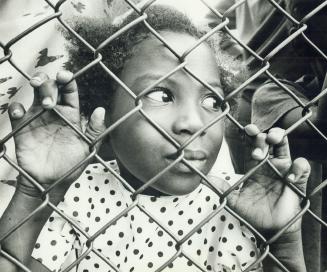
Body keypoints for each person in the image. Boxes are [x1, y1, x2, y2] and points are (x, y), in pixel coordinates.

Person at [0, 5, 310, 272]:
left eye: (212, 102)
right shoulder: (76, 195)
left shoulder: (235, 204)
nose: (193, 123)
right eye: (162, 94)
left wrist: (283, 243)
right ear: (105, 109)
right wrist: (34, 191)